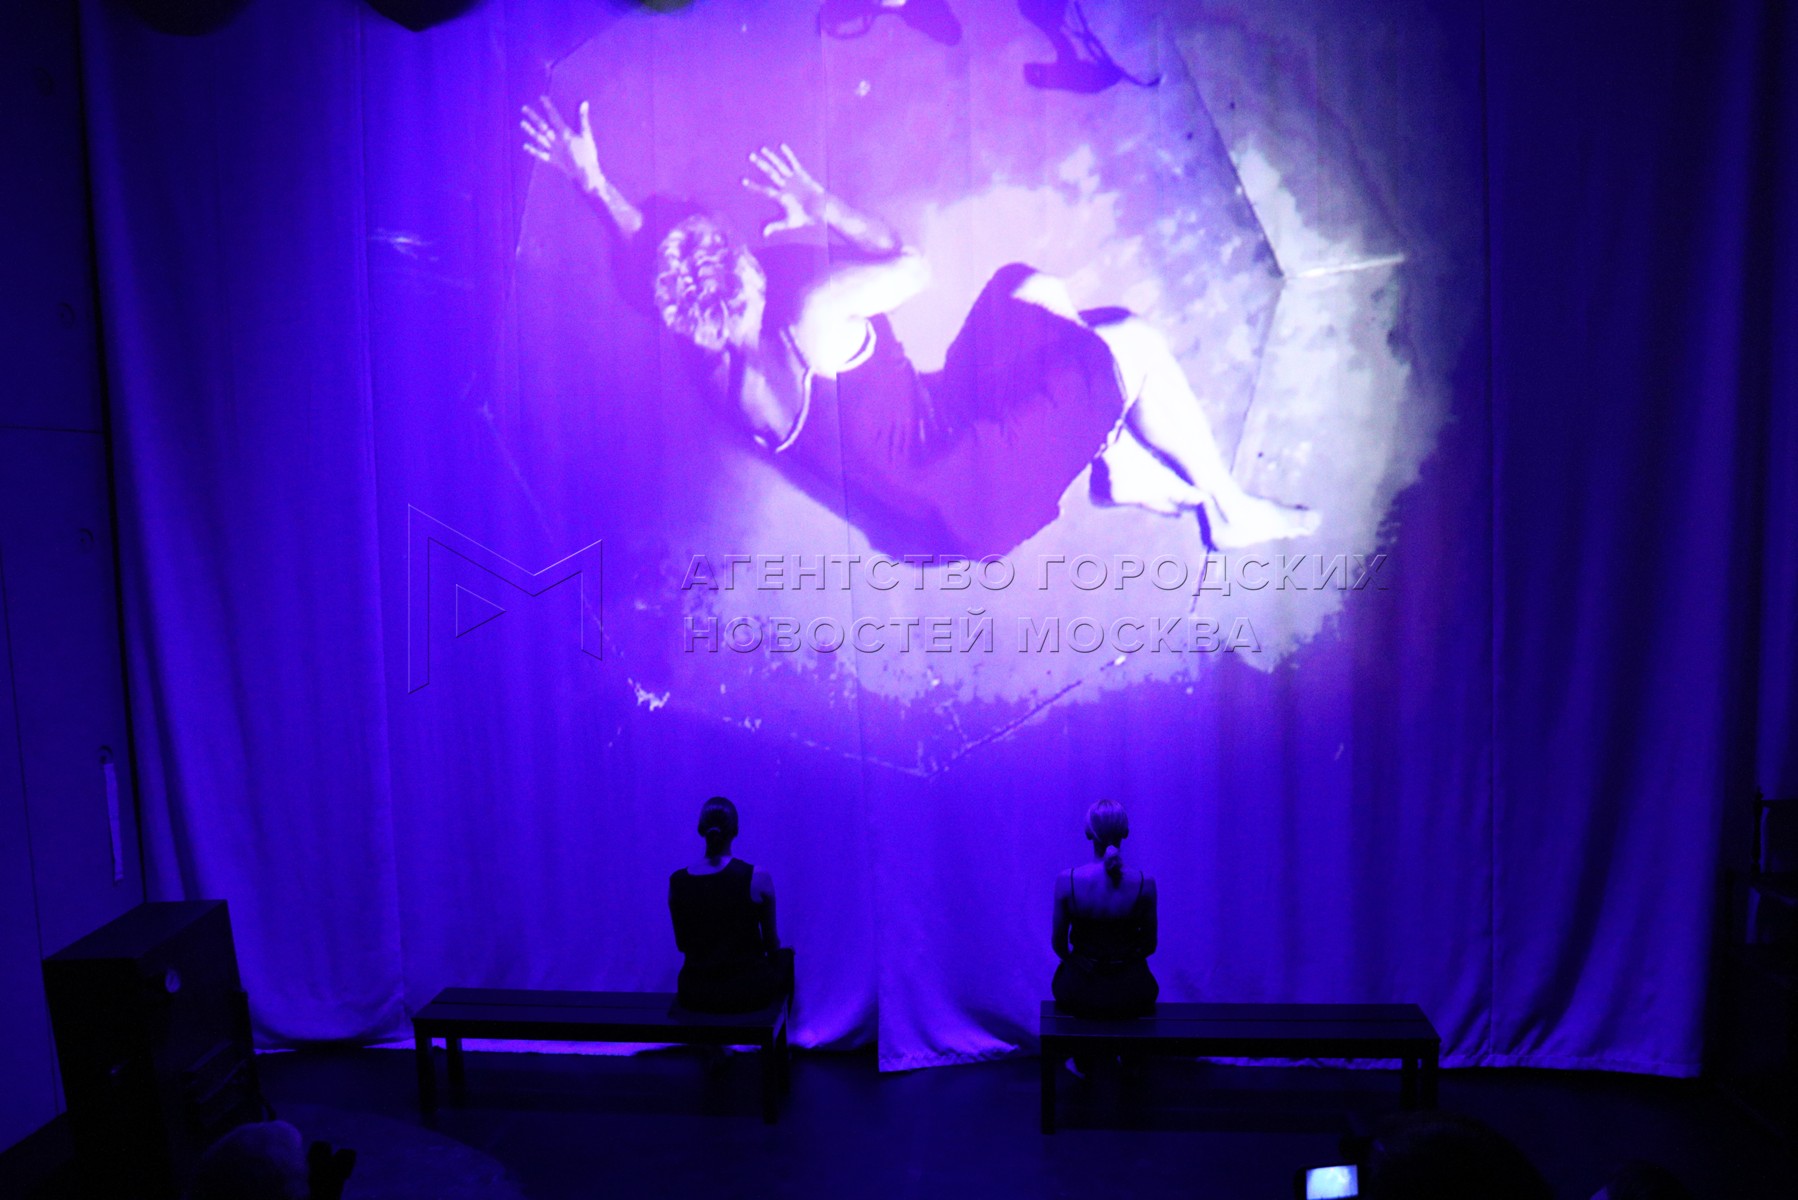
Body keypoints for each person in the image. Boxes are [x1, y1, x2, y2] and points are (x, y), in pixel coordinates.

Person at [521, 98, 1320, 557]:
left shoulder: (717, 373)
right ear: (748, 268)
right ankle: (1229, 509)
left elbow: (657, 267)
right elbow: (909, 260)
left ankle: (1109, 457)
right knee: (1132, 342)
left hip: (918, 493)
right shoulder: (814, 315)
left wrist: (594, 184)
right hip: (978, 486)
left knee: (1029, 289)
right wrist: (822, 207)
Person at [667, 796, 791, 1012]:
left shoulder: (677, 882)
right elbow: (772, 944)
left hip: (695, 991)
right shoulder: (757, 877)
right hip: (748, 990)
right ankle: (782, 1031)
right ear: (735, 830)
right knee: (787, 958)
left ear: (701, 829)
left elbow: (682, 944)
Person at [1052, 798, 1157, 1017]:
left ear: (1088, 833)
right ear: (1125, 832)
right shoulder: (1144, 883)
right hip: (1132, 992)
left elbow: (1059, 945)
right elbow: (1149, 945)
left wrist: (1081, 963)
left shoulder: (1067, 880)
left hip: (1079, 990)